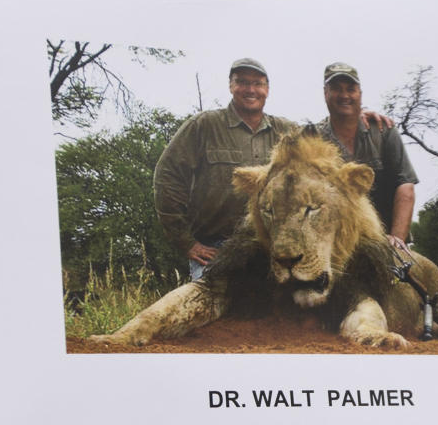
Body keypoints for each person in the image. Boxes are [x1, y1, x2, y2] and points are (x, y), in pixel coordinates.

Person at [153, 58, 295, 279]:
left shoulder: (287, 131)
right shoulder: (203, 125)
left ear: (267, 89)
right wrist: (186, 242)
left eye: (257, 83)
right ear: (231, 86)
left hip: (273, 246)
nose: (250, 90)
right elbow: (167, 177)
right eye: (242, 82)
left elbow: (323, 146)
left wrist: (363, 120)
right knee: (206, 307)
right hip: (216, 248)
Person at [318, 62, 418, 253]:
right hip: (336, 244)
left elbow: (405, 185)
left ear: (360, 94)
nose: (345, 95)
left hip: (386, 240)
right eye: (336, 89)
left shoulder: (384, 131)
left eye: (351, 89)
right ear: (325, 93)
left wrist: (397, 240)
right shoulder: (314, 137)